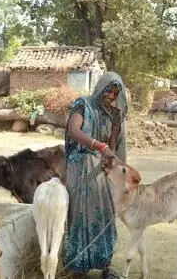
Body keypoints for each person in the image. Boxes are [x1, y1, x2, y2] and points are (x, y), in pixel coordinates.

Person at [63, 71, 128, 279]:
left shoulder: (115, 114)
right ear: (100, 88)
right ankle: (78, 265)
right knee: (79, 215)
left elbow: (113, 145)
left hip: (102, 170)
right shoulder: (84, 104)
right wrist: (98, 146)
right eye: (108, 90)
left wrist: (112, 160)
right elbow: (74, 130)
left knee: (107, 214)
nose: (111, 95)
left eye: (115, 92)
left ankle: (105, 264)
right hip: (80, 164)